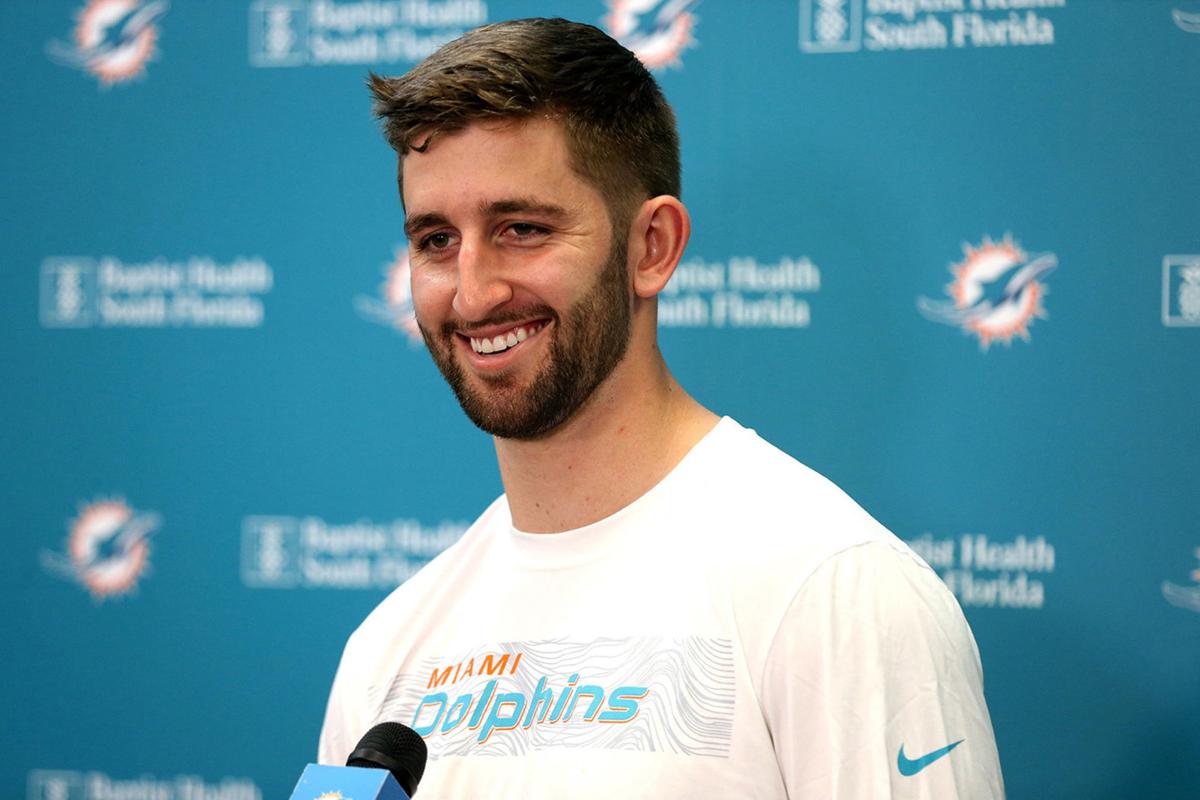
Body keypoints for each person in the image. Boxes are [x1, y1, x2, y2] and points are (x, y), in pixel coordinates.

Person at [319, 17, 1004, 798]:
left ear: (652, 246)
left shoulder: (834, 593)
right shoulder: (388, 649)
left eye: (522, 229)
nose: (472, 292)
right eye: (437, 240)